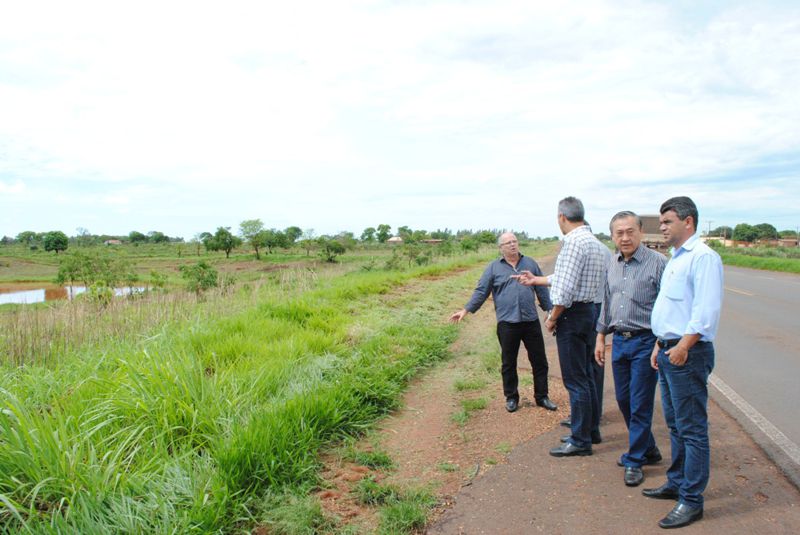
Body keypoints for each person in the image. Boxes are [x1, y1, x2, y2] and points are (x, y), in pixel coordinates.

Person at [641, 196, 723, 529]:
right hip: (669, 350)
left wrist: (682, 346)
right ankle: (677, 482)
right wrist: (659, 344)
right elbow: (672, 309)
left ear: (687, 222)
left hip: (687, 353)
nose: (661, 227)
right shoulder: (676, 257)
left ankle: (691, 500)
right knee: (675, 425)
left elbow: (706, 311)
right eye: (661, 222)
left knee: (692, 430)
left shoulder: (703, 257)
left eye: (667, 222)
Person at [514, 197, 606, 456]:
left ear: (562, 217)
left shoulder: (572, 243)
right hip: (590, 312)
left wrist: (553, 317)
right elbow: (566, 277)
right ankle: (590, 430)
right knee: (586, 375)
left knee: (575, 380)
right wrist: (537, 280)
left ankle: (580, 440)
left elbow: (565, 290)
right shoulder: (594, 242)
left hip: (573, 316)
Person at [595, 211, 667, 488]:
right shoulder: (612, 264)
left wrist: (661, 341)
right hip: (620, 342)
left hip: (646, 341)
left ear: (640, 232)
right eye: (619, 233)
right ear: (612, 236)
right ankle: (649, 448)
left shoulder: (658, 263)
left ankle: (635, 460)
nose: (625, 237)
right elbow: (606, 301)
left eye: (630, 231)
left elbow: (668, 306)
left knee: (640, 404)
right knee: (623, 400)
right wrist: (600, 336)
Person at [449, 232, 557, 413]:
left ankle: (542, 396)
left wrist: (550, 311)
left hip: (530, 321)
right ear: (501, 248)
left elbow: (541, 289)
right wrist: (466, 310)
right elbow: (481, 291)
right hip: (507, 323)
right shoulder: (493, 268)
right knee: (508, 362)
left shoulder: (530, 263)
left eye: (515, 241)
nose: (513, 245)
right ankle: (511, 397)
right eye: (508, 243)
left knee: (539, 360)